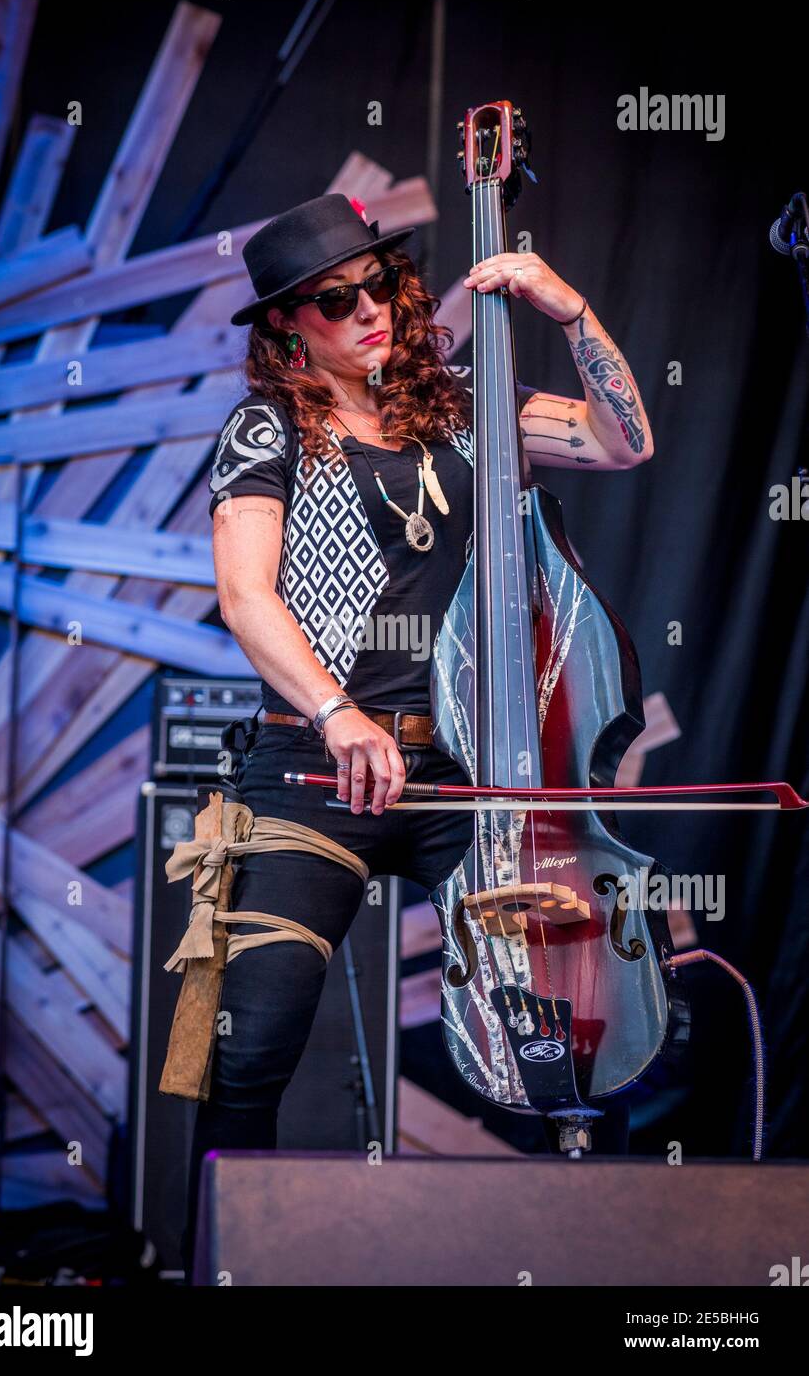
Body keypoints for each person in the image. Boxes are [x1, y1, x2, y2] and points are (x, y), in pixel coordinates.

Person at [181, 194, 652, 1277]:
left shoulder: (473, 404)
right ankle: (224, 1270)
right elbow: (248, 596)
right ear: (290, 325)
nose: (369, 312)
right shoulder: (268, 429)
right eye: (334, 301)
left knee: (559, 1030)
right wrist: (337, 712)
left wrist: (567, 308)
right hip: (314, 765)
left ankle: (597, 1261)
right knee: (250, 1032)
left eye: (380, 284)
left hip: (475, 770)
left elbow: (624, 441)